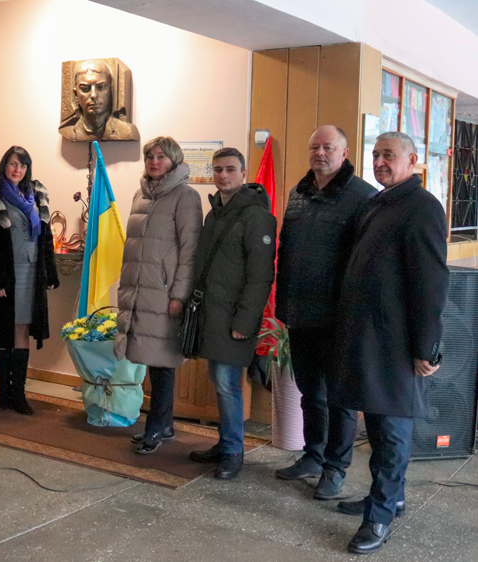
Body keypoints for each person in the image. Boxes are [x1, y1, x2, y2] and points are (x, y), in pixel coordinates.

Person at [330, 132, 449, 554]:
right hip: (368, 338)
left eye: (389, 155)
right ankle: (389, 498)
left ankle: (379, 517)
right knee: (379, 430)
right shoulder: (377, 203)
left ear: (412, 160)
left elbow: (432, 284)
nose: (380, 161)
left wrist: (427, 348)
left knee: (393, 433)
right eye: (376, 154)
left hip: (399, 345)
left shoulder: (423, 207)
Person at [273, 126, 377, 498]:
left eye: (328, 147)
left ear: (344, 153)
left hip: (339, 319)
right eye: (314, 146)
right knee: (309, 392)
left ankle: (335, 469)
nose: (320, 153)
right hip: (300, 313)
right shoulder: (298, 193)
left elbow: (366, 264)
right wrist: (283, 304)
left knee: (340, 399)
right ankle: (313, 456)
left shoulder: (363, 196)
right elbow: (286, 251)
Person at [187, 147, 276, 478]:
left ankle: (234, 453)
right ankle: (225, 443)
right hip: (212, 314)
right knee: (219, 381)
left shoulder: (257, 216)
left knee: (228, 385)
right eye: (218, 169)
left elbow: (261, 276)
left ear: (243, 173)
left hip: (235, 319)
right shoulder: (215, 214)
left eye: (230, 169)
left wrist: (245, 321)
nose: (223, 175)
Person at [115, 136, 202, 454]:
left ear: (174, 161)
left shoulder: (186, 196)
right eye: (150, 156)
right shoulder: (141, 195)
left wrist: (179, 294)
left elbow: (190, 251)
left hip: (165, 296)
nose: (154, 161)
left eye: (161, 156)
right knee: (153, 361)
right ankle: (164, 426)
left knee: (163, 362)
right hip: (141, 293)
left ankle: (155, 428)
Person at [0, 146, 59, 415]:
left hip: (31, 273)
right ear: (4, 166)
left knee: (21, 330)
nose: (17, 169)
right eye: (12, 164)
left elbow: (46, 237)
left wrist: (50, 272)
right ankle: (3, 393)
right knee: (2, 330)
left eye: (22, 165)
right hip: (4, 274)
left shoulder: (37, 195)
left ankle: (18, 394)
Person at [58, 59, 139, 142]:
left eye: (101, 87)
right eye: (85, 88)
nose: (93, 95)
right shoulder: (68, 131)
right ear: (76, 94)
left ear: (110, 90)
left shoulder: (126, 131)